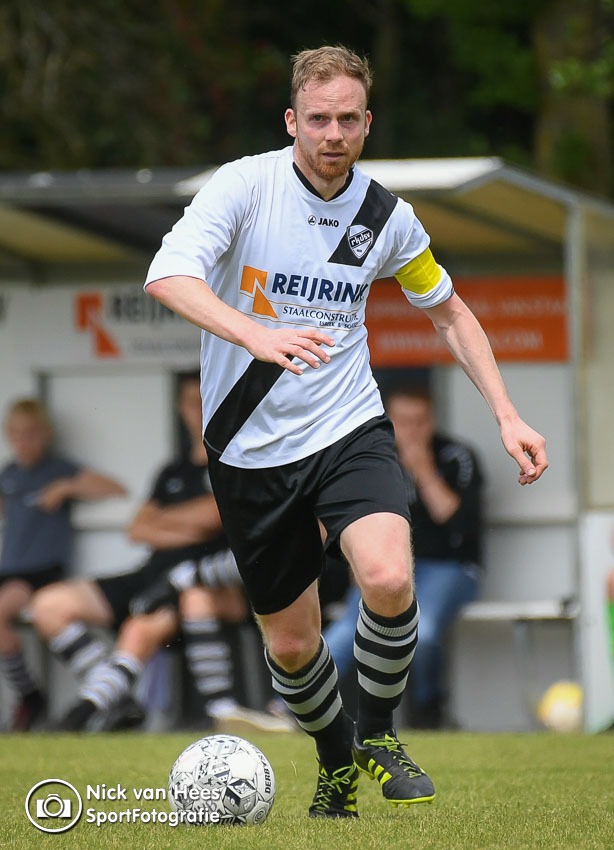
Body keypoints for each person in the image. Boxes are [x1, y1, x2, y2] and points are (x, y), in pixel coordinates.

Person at [144, 45, 548, 818]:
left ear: (367, 123)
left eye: (348, 119)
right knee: (293, 645)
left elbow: (449, 312)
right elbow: (168, 275)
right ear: (292, 121)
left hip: (347, 425)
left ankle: (381, 734)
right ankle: (335, 762)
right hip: (249, 448)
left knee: (389, 578)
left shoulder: (385, 217)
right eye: (319, 119)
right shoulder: (246, 187)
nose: (333, 134)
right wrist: (254, 333)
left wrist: (507, 413)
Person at [31, 373, 290, 733]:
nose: (198, 410)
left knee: (144, 626)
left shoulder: (238, 461)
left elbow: (213, 517)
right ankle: (117, 698)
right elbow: (138, 529)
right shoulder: (172, 470)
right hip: (152, 575)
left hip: (206, 584)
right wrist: (191, 523)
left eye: (204, 400)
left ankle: (84, 711)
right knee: (48, 605)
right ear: (180, 409)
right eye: (191, 403)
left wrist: (168, 521)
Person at [0, 397, 126, 731]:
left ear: (45, 434)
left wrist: (67, 487)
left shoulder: (58, 469)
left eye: (31, 434)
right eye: (17, 435)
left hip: (39, 573)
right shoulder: (10, 474)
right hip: (10, 571)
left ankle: (30, 696)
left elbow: (115, 488)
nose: (24, 443)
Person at [386, 384, 483, 728]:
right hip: (391, 570)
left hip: (450, 568)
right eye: (403, 422)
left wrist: (424, 470)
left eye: (421, 421)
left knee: (422, 633)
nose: (412, 431)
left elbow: (455, 521)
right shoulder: (376, 458)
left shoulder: (456, 456)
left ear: (433, 420)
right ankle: (295, 713)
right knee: (339, 639)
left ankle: (429, 713)